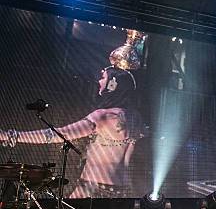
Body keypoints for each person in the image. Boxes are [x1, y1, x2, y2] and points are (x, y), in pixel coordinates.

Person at [1, 65, 142, 198]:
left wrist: (10, 135)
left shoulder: (103, 116)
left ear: (113, 84)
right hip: (122, 191)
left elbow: (60, 134)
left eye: (103, 78)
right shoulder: (136, 118)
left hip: (91, 189)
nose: (99, 81)